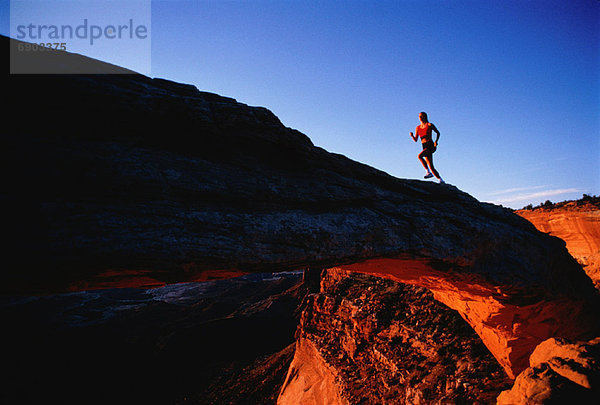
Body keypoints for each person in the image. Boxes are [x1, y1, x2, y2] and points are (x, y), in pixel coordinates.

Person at [410, 112, 445, 184]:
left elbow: (438, 133)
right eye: (419, 116)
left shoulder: (429, 125)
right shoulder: (418, 128)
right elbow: (416, 140)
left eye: (421, 116)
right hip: (424, 146)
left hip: (430, 145)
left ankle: (427, 172)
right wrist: (412, 136)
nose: (420, 117)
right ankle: (441, 180)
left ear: (424, 117)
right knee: (431, 166)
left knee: (419, 156)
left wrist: (436, 141)